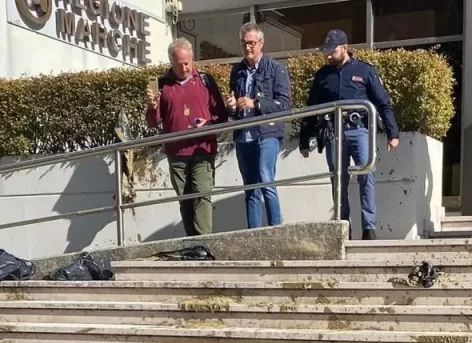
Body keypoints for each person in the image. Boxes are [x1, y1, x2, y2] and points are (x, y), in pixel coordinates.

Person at [299, 29, 400, 241]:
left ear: (345, 48)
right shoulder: (322, 76)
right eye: (326, 50)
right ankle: (344, 228)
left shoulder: (364, 71)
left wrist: (393, 132)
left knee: (366, 176)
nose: (328, 55)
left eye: (332, 50)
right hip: (333, 133)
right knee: (338, 181)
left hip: (359, 130)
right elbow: (311, 109)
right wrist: (304, 140)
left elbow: (383, 103)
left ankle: (369, 228)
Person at [146, 38, 229, 236]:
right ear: (171, 62)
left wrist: (208, 125)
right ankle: (192, 243)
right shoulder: (161, 84)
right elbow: (153, 122)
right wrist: (153, 106)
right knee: (185, 199)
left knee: (202, 195)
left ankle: (204, 243)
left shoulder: (205, 81)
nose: (185, 68)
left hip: (203, 148)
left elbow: (222, 116)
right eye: (179, 64)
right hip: (177, 152)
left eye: (187, 63)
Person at [225, 23, 292, 229]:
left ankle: (275, 230)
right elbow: (234, 105)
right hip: (243, 135)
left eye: (252, 43)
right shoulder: (237, 70)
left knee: (265, 179)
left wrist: (256, 103)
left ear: (261, 43)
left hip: (267, 133)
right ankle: (253, 234)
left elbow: (286, 105)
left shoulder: (276, 68)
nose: (248, 48)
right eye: (244, 44)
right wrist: (232, 106)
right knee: (251, 188)